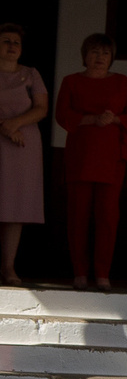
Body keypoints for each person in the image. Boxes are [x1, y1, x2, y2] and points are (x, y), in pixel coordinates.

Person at [52, 31, 127, 290]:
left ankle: (103, 273)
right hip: (80, 156)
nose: (99, 57)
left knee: (107, 217)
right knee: (78, 216)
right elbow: (62, 114)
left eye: (105, 53)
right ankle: (79, 272)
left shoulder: (122, 82)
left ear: (112, 57)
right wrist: (91, 119)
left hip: (111, 157)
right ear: (84, 56)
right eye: (94, 52)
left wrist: (114, 119)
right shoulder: (71, 82)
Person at [0, 20, 47, 285]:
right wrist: (5, 128)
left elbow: (41, 108)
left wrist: (15, 124)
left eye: (16, 42)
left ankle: (8, 267)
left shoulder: (30, 74)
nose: (12, 46)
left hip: (22, 144)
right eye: (6, 41)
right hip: (5, 137)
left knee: (14, 205)